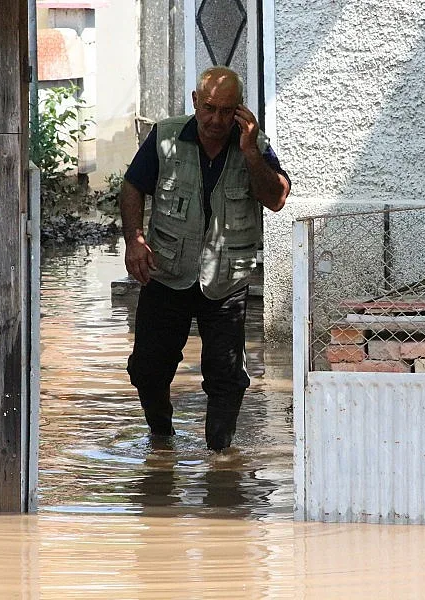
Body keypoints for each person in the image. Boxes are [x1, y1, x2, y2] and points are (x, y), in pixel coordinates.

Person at [120, 66, 290, 452]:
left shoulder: (254, 144)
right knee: (148, 368)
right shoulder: (165, 136)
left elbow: (277, 199)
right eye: (209, 108)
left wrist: (250, 153)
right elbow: (132, 185)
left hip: (226, 280)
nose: (216, 119)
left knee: (226, 375)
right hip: (167, 271)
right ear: (196, 101)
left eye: (227, 111)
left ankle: (220, 455)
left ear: (239, 111)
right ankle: (161, 439)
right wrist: (134, 239)